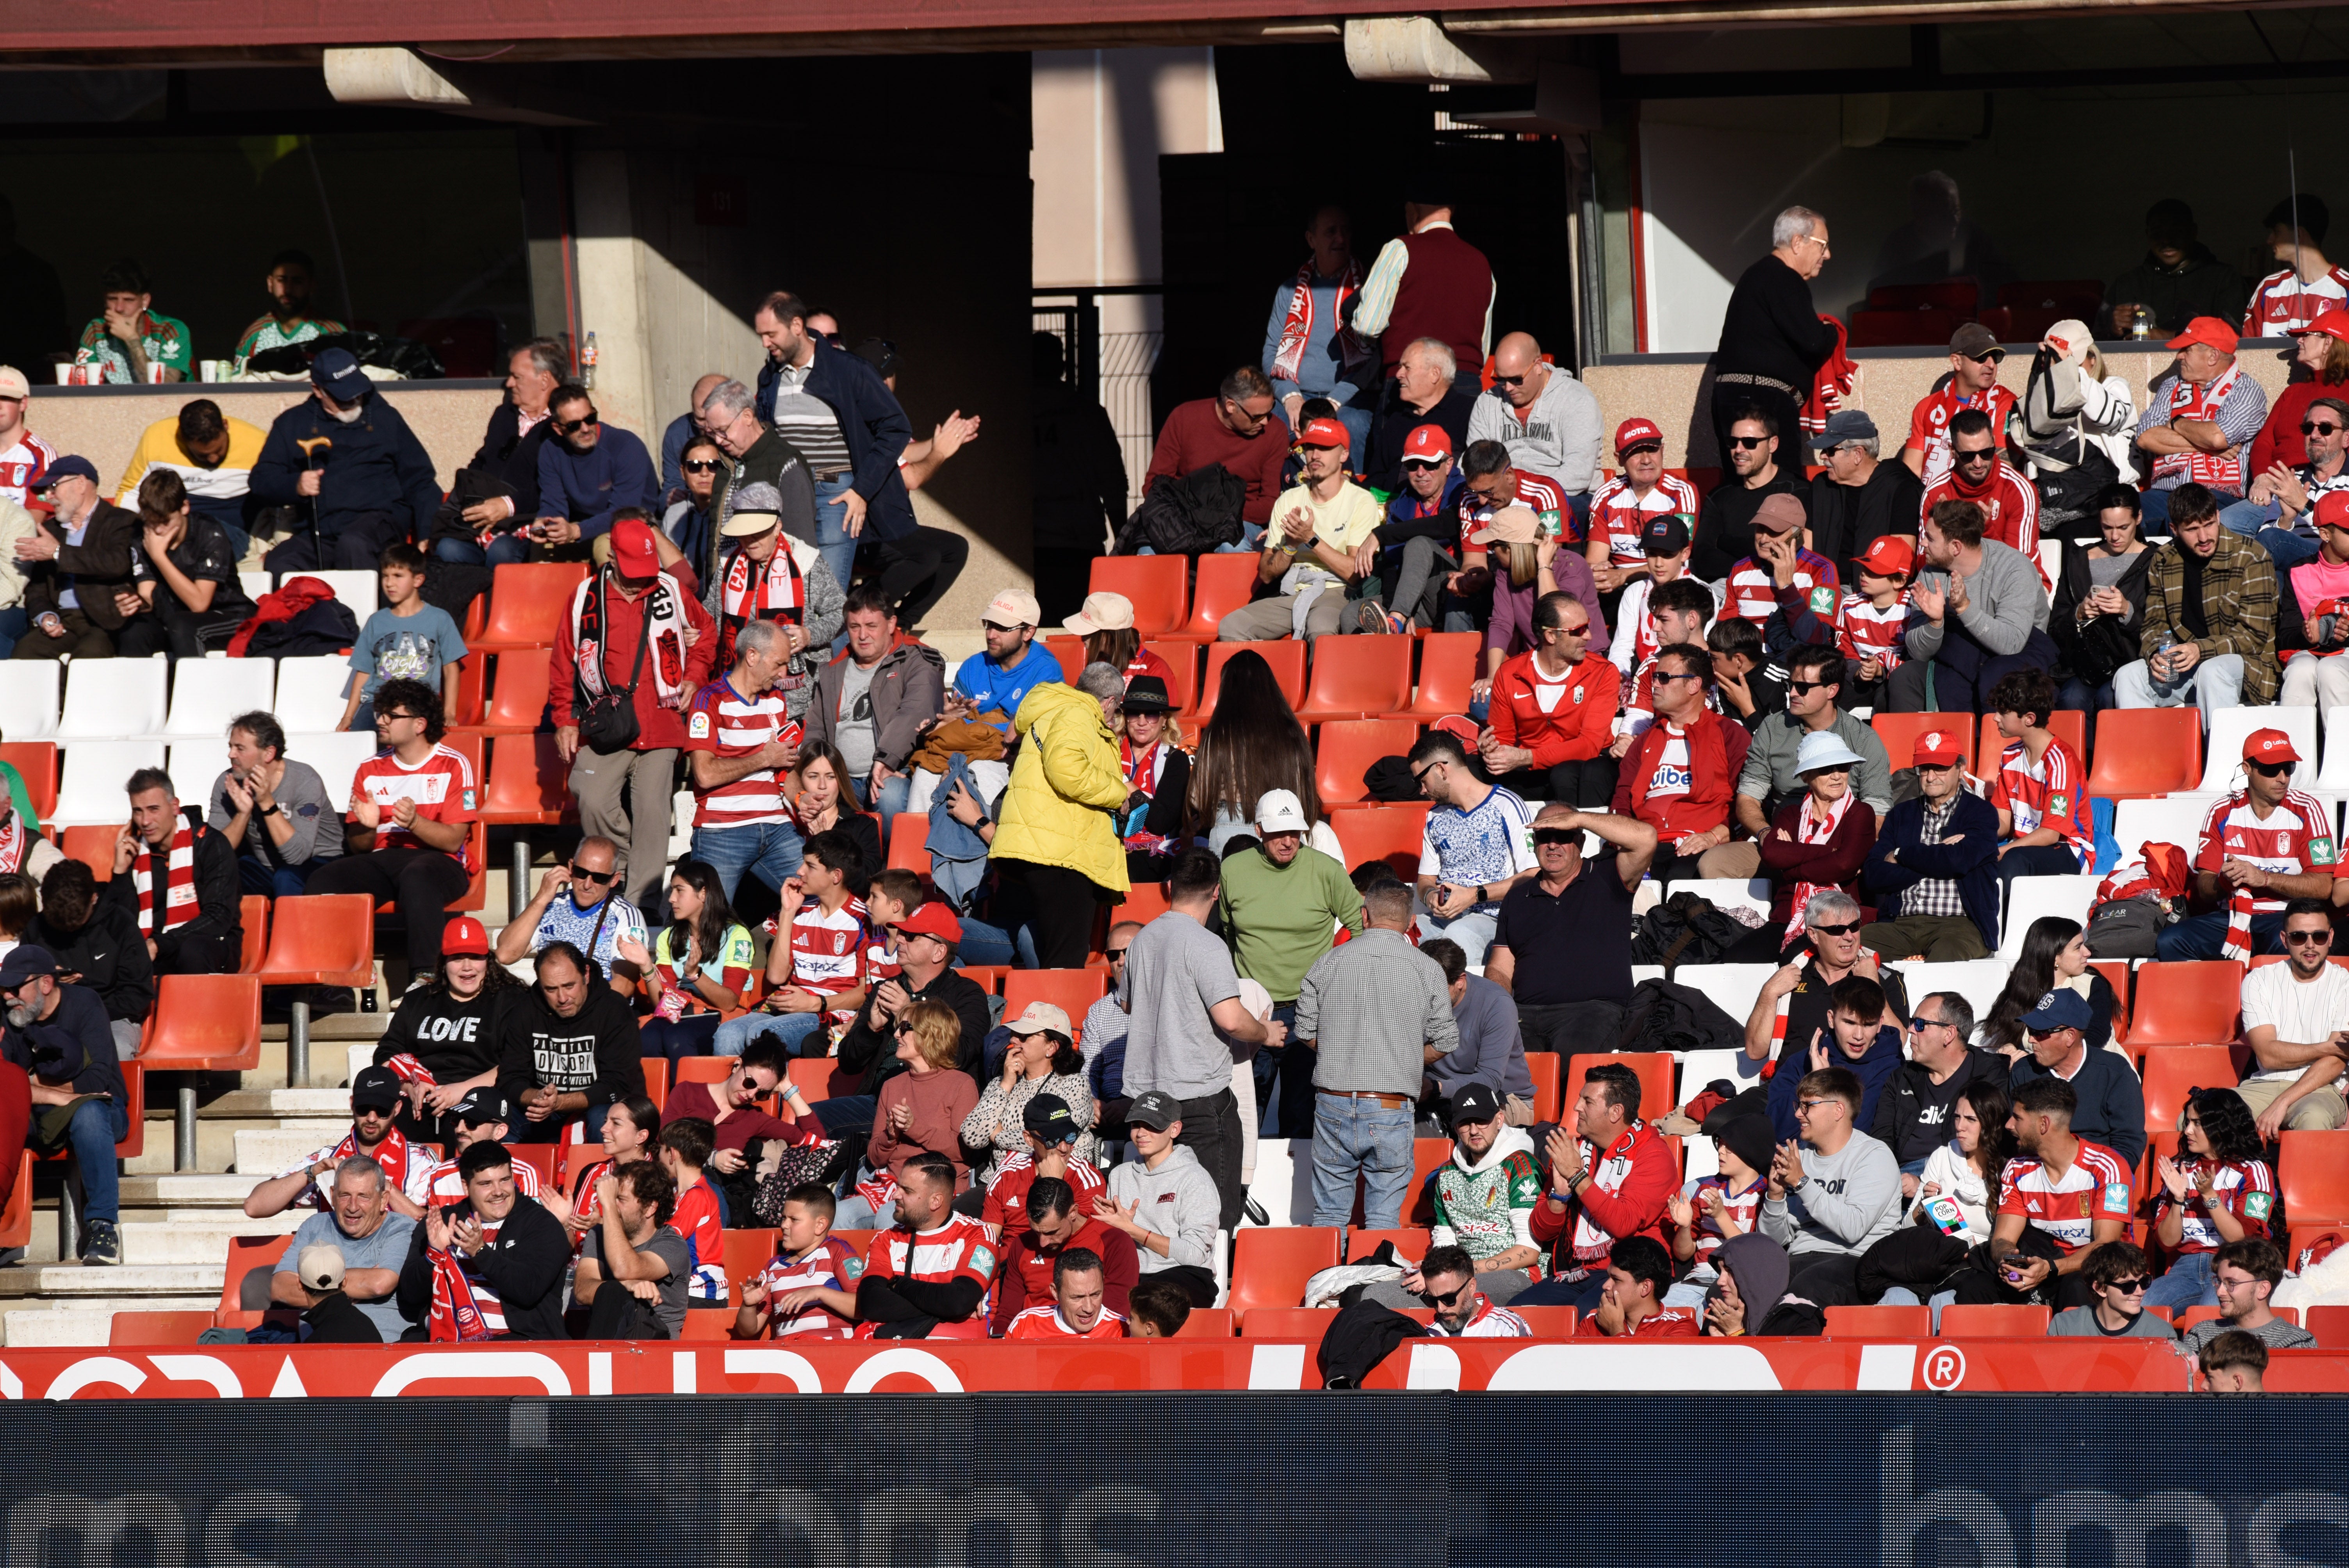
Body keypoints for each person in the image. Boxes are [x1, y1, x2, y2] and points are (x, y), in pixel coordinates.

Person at [551, 513, 718, 911]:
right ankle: (623, 864)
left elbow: (707, 633)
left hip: (662, 722)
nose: (641, 577)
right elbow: (563, 662)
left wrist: (693, 678)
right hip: (608, 724)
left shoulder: (672, 590)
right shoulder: (583, 598)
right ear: (611, 555)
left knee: (652, 813)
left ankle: (640, 904)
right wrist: (564, 719)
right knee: (589, 794)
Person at [1121, 848, 1285, 1229]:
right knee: (1213, 1217)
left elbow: (1128, 1004)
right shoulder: (1207, 944)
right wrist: (1266, 1032)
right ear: (1216, 893)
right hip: (1197, 1099)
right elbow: (1231, 1018)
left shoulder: (1142, 941)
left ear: (1169, 886)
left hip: (1147, 1098)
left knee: (1160, 1215)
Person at [1298, 881, 1456, 1228]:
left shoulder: (1327, 962)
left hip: (1333, 1102)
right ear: (1412, 921)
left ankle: (1327, 1283)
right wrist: (1406, 1060)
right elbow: (1446, 1040)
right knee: (1383, 1219)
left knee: (1329, 1216)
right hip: (1391, 1104)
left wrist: (1342, 1055)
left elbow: (1305, 1031)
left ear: (1364, 916)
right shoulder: (1428, 969)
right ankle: (1374, 1284)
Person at [750, 291, 922, 604]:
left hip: (837, 494)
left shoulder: (849, 370)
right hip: (790, 493)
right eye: (761, 335)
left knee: (826, 598)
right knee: (792, 594)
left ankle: (835, 655)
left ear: (797, 326)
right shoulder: (771, 377)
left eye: (771, 334)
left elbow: (896, 428)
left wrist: (861, 491)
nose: (765, 343)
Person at [301, 679, 476, 982]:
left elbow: (454, 841)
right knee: (324, 879)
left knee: (418, 874)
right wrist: (368, 828)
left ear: (420, 724)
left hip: (440, 863)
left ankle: (426, 979)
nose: (380, 720)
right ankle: (331, 978)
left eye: (391, 716)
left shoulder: (453, 764)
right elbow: (360, 848)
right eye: (381, 713)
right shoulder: (369, 769)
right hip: (385, 860)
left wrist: (415, 823)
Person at [1216, 789, 1363, 1136]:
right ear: (1259, 830)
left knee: (1303, 1116)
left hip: (1311, 1007)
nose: (1288, 841)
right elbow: (1227, 932)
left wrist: (1335, 984)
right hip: (1252, 1008)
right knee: (1244, 1114)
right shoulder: (1233, 869)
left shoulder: (1326, 870)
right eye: (1279, 833)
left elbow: (1362, 928)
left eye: (1294, 832)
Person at [248, 347, 442, 573]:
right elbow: (260, 480)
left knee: (354, 544)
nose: (352, 400)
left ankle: (360, 610)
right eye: (342, 396)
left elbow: (421, 480)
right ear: (318, 391)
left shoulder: (385, 418)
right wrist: (296, 485)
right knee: (282, 560)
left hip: (378, 525)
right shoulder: (293, 424)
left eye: (357, 391)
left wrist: (428, 532)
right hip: (321, 532)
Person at [1487, 802, 1656, 1057]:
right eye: (1545, 837)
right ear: (1535, 842)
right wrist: (1501, 1009)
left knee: (1570, 1060)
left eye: (1564, 835)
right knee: (1497, 1061)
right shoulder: (1517, 898)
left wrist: (1579, 818)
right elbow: (1500, 967)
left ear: (1581, 839)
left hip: (1592, 1012)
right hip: (1525, 1013)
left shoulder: (1609, 877)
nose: (1553, 845)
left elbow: (1646, 838)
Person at [987, 661, 1128, 968]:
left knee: (1059, 953)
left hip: (1055, 848)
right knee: (1066, 958)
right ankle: (1055, 1016)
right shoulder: (1078, 714)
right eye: (1117, 709)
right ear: (1109, 702)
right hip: (1062, 853)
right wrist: (1120, 793)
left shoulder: (1063, 709)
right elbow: (1066, 770)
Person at [2163, 730, 2344, 962]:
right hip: (2233, 915)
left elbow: (2323, 887)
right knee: (2171, 941)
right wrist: (2223, 881)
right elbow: (2205, 888)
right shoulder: (2221, 812)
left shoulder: (2308, 809)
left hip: (2290, 915)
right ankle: (2210, 997)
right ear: (2247, 769)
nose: (2283, 778)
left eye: (2288, 768)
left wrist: (2264, 879)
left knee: (2295, 949)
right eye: (2271, 769)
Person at [1713, 646, 1892, 878]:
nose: (1793, 693)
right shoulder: (1772, 728)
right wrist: (1765, 833)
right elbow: (1748, 797)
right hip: (1783, 841)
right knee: (1715, 863)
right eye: (1791, 685)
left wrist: (1851, 850)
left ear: (1832, 690)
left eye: (1804, 687)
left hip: (1840, 846)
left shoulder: (1863, 738)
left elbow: (1877, 810)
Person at [0, 945, 131, 1263]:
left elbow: (98, 1078)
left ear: (46, 983)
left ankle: (103, 1226)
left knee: (88, 1113)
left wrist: (33, 1084)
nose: (7, 996)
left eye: (15, 988)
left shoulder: (85, 1004)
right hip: (37, 1113)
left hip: (103, 1110)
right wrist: (55, 1095)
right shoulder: (9, 1015)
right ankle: (7, 1230)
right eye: (3, 988)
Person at [1363, 1084, 1538, 1313]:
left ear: (1499, 1120)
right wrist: (1435, 1269)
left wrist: (1454, 1274)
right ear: (1456, 1127)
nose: (1474, 1131)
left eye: (1482, 1121)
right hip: (1458, 1275)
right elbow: (1445, 1238)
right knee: (1369, 1295)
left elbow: (1528, 1251)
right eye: (1465, 1123)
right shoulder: (1446, 1173)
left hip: (1515, 1277)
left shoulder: (1521, 1165)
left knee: (1437, 1296)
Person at [1515, 1062, 1677, 1309]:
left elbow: (1623, 1222)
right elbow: (1541, 1232)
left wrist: (1576, 1176)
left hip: (1630, 1275)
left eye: (1587, 1101)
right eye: (1580, 1098)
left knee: (1587, 1321)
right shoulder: (1573, 1151)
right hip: (1575, 1273)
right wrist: (1558, 1197)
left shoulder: (1654, 1155)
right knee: (1519, 1315)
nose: (1576, 1107)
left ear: (1615, 1112)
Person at [2116, 482, 2277, 718]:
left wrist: (2200, 650)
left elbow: (2253, 639)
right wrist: (2156, 654)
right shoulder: (2164, 559)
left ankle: (2219, 754)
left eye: (2210, 524)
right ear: (2174, 529)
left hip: (2248, 666)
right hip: (2186, 665)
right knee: (2128, 676)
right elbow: (2155, 623)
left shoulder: (2251, 557)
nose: (2204, 537)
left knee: (2212, 671)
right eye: (2192, 529)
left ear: (2219, 516)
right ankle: (2144, 754)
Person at [1217, 419, 1381, 644]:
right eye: (1310, 448)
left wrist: (1311, 539)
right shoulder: (1289, 500)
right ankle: (1265, 680)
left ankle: (1319, 681)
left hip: (1339, 591)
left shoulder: (1361, 501)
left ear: (1344, 456)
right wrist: (1290, 545)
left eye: (1324, 448)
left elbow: (1354, 573)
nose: (1315, 455)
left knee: (1320, 628)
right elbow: (1266, 574)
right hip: (1294, 589)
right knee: (1231, 626)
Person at [679, 620, 806, 907]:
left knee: (817, 900)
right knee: (709, 921)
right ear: (752, 656)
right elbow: (705, 774)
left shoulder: (776, 700)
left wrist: (803, 798)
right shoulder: (708, 700)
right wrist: (764, 758)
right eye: (778, 663)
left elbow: (785, 770)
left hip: (777, 827)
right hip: (723, 831)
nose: (783, 672)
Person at [1758, 1066, 1904, 1310]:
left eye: (1808, 1106)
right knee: (1736, 1286)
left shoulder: (1874, 1156)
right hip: (1798, 1258)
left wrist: (1802, 1183)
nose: (1798, 1114)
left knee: (1803, 1292)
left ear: (1838, 1110)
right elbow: (1773, 1243)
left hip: (1854, 1262)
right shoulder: (1800, 1159)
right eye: (1799, 1105)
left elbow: (1852, 1228)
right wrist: (1775, 1195)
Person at [717, 829, 873, 1058]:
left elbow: (866, 993)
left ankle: (780, 1092)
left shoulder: (864, 920)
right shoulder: (799, 911)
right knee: (727, 1034)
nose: (800, 872)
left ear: (836, 876)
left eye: (810, 866)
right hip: (790, 1007)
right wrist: (789, 912)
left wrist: (815, 1003)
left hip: (833, 1012)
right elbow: (777, 977)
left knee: (762, 1034)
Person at [396, 1139, 571, 1341]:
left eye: (505, 1180)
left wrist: (480, 1252)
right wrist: (433, 1255)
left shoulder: (540, 1223)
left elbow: (528, 1289)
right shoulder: (440, 1222)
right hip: (441, 1338)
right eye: (486, 1184)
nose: (499, 1191)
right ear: (466, 1186)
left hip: (516, 1340)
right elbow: (410, 1296)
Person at [1893, 498, 2055, 715]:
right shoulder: (1931, 573)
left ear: (1956, 547)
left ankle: (1991, 745)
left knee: (1991, 673)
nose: (1922, 543)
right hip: (1960, 654)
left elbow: (2012, 644)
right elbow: (1918, 653)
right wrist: (1934, 623)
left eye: (1930, 538)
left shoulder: (2014, 568)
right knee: (1907, 676)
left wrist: (1964, 608)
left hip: (2021, 656)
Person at [1711, 207, 1839, 472]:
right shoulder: (1784, 277)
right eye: (1823, 245)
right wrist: (1832, 331)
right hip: (1764, 401)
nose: (1827, 255)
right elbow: (1814, 341)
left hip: (1732, 397)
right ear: (1797, 242)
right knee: (1783, 493)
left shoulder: (1757, 275)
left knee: (1742, 487)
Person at [371, 918, 520, 1144]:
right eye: (457, 958)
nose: (467, 967)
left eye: (476, 957)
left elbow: (517, 1062)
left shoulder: (509, 1000)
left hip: (481, 1098)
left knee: (467, 1125)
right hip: (420, 1097)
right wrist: (410, 1085)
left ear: (488, 960)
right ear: (444, 962)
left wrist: (460, 1091)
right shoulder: (418, 1000)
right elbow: (385, 1056)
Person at [1612, 642, 1752, 884]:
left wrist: (1715, 836)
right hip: (1646, 845)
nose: (1655, 683)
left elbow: (1750, 802)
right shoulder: (1643, 741)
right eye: (1656, 676)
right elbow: (1622, 800)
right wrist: (1624, 841)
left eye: (1664, 678)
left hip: (1702, 845)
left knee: (1679, 882)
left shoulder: (1730, 735)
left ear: (1694, 685)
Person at [803, 584, 947, 813]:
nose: (862, 635)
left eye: (871, 626)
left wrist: (886, 760)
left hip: (895, 770)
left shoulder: (917, 660)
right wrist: (814, 772)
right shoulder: (832, 671)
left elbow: (914, 711)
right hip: (840, 780)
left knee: (888, 796)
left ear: (891, 624)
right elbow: (815, 728)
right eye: (854, 627)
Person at [1474, 590, 1620, 810]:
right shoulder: (1510, 672)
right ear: (1551, 636)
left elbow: (1589, 745)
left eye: (1587, 626)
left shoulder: (1603, 672)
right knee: (1469, 768)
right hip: (1532, 768)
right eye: (1578, 631)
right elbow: (1502, 737)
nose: (1589, 636)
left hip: (1583, 767)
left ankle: (1574, 838)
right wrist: (1492, 751)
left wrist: (1527, 757)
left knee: (1565, 774)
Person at [494, 941, 645, 1144]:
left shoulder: (614, 1010)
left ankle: (600, 1175)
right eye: (551, 989)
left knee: (603, 1118)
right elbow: (509, 1079)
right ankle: (506, 1175)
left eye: (569, 986)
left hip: (604, 1105)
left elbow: (617, 1086)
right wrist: (539, 1098)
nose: (562, 998)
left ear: (586, 975)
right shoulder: (525, 1010)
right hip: (545, 1109)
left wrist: (560, 1103)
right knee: (495, 1116)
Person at [1351, 180, 1496, 386]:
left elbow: (1368, 326)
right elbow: (1483, 346)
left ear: (1412, 211)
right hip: (1465, 383)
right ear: (1452, 211)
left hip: (1410, 382)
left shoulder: (1400, 249)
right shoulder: (1482, 263)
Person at [1262, 204, 1376, 464]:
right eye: (1331, 232)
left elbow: (1374, 358)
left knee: (1354, 426)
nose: (1341, 238)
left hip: (1350, 399)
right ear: (1311, 240)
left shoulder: (1369, 288)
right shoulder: (1290, 290)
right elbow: (1271, 352)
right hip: (1298, 395)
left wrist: (1334, 402)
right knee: (1270, 427)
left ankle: (1353, 498)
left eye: (1346, 231)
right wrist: (1291, 397)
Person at [1406, 731, 1535, 962]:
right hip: (1441, 919)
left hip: (1494, 918)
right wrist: (1431, 897)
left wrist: (1475, 896)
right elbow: (1426, 879)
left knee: (1459, 934)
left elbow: (1535, 875)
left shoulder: (1508, 806)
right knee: (1395, 935)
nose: (1422, 790)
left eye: (1421, 780)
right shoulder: (1434, 817)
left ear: (1441, 770)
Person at [2146, 1087, 2277, 1312]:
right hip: (2186, 1268)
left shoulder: (2254, 1170)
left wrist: (2209, 1196)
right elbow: (2167, 1243)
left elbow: (2241, 1239)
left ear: (2221, 1126)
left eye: (2197, 1124)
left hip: (2236, 1266)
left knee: (2212, 1314)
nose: (2187, 1131)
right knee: (2147, 1307)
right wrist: (2178, 1199)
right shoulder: (2180, 1170)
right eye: (2188, 1122)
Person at [434, 338, 563, 566]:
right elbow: (482, 461)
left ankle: (502, 601)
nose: (509, 383)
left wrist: (508, 505)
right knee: (448, 548)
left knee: (502, 552)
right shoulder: (504, 415)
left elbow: (560, 487)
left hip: (529, 525)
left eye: (517, 377)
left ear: (544, 379)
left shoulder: (564, 424)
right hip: (485, 524)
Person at [1029, 335, 1129, 626]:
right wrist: (1122, 535)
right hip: (1078, 532)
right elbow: (1112, 479)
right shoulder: (1087, 412)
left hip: (1030, 537)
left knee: (1037, 623)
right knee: (1080, 622)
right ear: (1061, 365)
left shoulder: (1009, 412)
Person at [2133, 317, 2267, 532]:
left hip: (2216, 496)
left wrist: (2176, 422)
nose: (2179, 356)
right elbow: (2146, 437)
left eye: (2187, 350)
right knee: (2130, 513)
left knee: (2184, 515)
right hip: (2164, 492)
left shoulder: (2246, 389)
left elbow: (2218, 437)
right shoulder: (2172, 386)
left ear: (2213, 356)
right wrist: (2209, 447)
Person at [104, 766, 239, 976]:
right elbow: (122, 923)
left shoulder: (212, 845)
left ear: (175, 807)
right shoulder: (135, 852)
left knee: (192, 952)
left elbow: (219, 916)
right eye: (138, 811)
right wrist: (120, 873)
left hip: (210, 944)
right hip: (155, 946)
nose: (145, 821)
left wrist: (161, 943)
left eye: (153, 809)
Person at [1091, 1090, 1221, 1308]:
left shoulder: (1194, 1177)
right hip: (1133, 1274)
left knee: (1149, 1298)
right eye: (1136, 1125)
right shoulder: (1120, 1175)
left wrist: (1133, 1231)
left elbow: (1195, 1255)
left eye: (1153, 1126)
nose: (1142, 1133)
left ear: (1175, 1129)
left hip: (1183, 1276)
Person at [2012, 320, 2141, 539]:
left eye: (2077, 364)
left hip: (2112, 502)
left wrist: (2070, 373)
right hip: (2063, 501)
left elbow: (2110, 418)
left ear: (2093, 359)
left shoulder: (2115, 386)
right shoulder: (2046, 400)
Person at [848, 1151, 995, 1340]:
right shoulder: (886, 1239)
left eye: (907, 1191)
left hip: (959, 1351)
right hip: (894, 1347)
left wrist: (896, 1284)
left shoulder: (977, 1234)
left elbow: (959, 1301)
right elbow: (871, 1304)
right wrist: (946, 1305)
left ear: (936, 1201)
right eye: (898, 1186)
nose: (895, 1195)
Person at [268, 1157, 417, 1342]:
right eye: (345, 1195)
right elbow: (280, 1289)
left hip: (382, 1354)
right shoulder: (316, 1226)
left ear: (383, 1200)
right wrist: (351, 1291)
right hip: (316, 1351)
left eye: (364, 1197)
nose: (353, 1207)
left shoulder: (401, 1227)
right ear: (333, 1195)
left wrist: (316, 1286)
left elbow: (380, 1284)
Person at [2236, 898, 2349, 1135]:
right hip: (2262, 1085)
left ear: (2330, 938)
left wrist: (2283, 1101)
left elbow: (2336, 1060)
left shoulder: (2345, 983)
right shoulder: (2259, 980)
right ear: (2284, 940)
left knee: (2314, 1117)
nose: (2310, 945)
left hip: (2321, 1087)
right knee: (2199, 1116)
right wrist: (2329, 1046)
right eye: (2299, 937)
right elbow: (2268, 1056)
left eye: (2318, 936)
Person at [12, 454, 140, 661]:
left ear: (81, 484)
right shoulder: (50, 530)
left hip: (103, 620)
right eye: (46, 491)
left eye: (54, 486)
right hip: (62, 621)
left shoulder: (120, 520)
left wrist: (58, 553)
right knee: (25, 654)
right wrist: (45, 615)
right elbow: (37, 589)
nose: (48, 495)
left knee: (87, 661)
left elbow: (117, 563)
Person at [1141, 365, 1291, 538]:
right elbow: (1154, 486)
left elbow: (1270, 504)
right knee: (1148, 552)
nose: (1265, 422)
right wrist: (1193, 513)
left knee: (1231, 546)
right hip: (1181, 519)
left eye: (1270, 412)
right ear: (1231, 406)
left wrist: (1214, 513)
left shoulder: (1276, 431)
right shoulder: (1184, 418)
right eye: (1257, 417)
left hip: (1240, 521)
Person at [117, 470, 253, 660]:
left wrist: (159, 557)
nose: (158, 530)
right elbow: (148, 594)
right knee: (134, 630)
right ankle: (139, 689)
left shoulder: (210, 533)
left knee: (183, 626)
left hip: (228, 615)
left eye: (165, 522)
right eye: (151, 522)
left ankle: (193, 688)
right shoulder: (142, 536)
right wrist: (133, 605)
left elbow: (199, 604)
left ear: (185, 508)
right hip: (173, 617)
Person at [2049, 485, 2153, 732]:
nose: (2115, 536)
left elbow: (2163, 627)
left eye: (2123, 527)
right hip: (2085, 662)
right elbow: (2055, 627)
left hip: (2130, 660)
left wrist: (2127, 611)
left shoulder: (2155, 560)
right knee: (2070, 700)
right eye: (2108, 527)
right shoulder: (2078, 560)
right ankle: (2075, 767)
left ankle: (2108, 766)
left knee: (2110, 698)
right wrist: (2079, 613)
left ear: (2138, 518)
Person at [2007, 987, 2147, 1168]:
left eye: (2039, 1032)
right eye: (2030, 1030)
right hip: (2039, 1176)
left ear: (2070, 1036)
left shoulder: (2115, 1072)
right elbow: (2017, 1137)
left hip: (2098, 1178)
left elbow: (2128, 1143)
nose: (2031, 1039)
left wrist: (2089, 1178)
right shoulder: (2024, 1072)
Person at [27, 860, 153, 1061]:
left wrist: (83, 1005)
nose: (69, 930)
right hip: (48, 1019)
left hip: (112, 1018)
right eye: (58, 925)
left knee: (116, 1048)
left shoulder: (120, 924)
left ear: (94, 899)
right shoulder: (36, 928)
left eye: (78, 923)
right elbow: (21, 991)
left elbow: (137, 994)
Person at [113, 399, 267, 564]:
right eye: (202, 455)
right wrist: (119, 537)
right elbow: (132, 492)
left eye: (219, 450)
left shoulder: (257, 442)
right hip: (175, 529)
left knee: (208, 537)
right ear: (183, 439)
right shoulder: (157, 437)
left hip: (234, 535)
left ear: (226, 426)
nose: (213, 459)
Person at [634, 860, 757, 1064]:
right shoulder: (669, 936)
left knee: (679, 1037)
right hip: (683, 1013)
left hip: (722, 1016)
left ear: (703, 894)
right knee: (648, 1036)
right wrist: (647, 967)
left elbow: (730, 1003)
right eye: (672, 890)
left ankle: (687, 1095)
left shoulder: (737, 935)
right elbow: (664, 1007)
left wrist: (695, 975)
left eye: (679, 890)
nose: (672, 899)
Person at [207, 713, 340, 897]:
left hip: (319, 862)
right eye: (231, 747)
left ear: (269, 753)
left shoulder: (304, 780)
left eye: (240, 748)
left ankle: (291, 927)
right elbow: (215, 853)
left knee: (287, 877)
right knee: (220, 875)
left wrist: (266, 802)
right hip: (265, 866)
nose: (231, 755)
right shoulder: (228, 782)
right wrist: (243, 814)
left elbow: (298, 856)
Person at [1464, 331, 1601, 511]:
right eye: (1501, 380)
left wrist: (1526, 500)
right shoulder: (1487, 402)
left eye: (1516, 379)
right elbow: (1474, 463)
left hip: (1565, 496)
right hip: (1499, 497)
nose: (1509, 388)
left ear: (1537, 366)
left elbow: (1578, 473)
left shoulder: (1576, 399)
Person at [335, 544, 465, 731]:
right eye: (386, 576)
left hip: (419, 704)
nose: (389, 583)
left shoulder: (440, 619)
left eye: (398, 576)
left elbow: (451, 669)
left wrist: (450, 712)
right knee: (361, 743)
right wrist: (348, 716)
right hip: (377, 703)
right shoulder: (376, 621)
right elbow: (363, 672)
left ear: (418, 580)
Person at [1871, 992, 2002, 1177]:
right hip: (1900, 1177)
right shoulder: (1902, 1078)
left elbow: (1991, 1144)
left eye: (1920, 1024)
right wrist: (1891, 1180)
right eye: (1912, 1022)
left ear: (1949, 1034)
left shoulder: (1989, 1076)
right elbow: (1881, 1141)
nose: (1910, 1030)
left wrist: (1926, 1181)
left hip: (1959, 1177)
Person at [495, 836, 646, 996]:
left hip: (599, 1011)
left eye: (599, 878)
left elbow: (624, 985)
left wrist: (584, 1011)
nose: (587, 885)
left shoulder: (625, 915)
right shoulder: (550, 905)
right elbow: (505, 954)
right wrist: (541, 898)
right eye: (581, 873)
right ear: (571, 868)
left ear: (614, 880)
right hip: (550, 1008)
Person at [963, 1005, 1096, 1187]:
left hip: (1051, 1185)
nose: (1013, 1040)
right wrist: (1006, 1085)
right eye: (1014, 1033)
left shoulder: (1074, 1084)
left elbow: (1054, 1141)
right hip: (999, 1184)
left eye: (1024, 1037)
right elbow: (972, 1137)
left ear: (1052, 1047)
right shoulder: (1001, 1083)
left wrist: (998, 1137)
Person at [1986, 670, 2094, 884]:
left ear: (2029, 719)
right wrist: (1973, 833)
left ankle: (2008, 918)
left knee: (2013, 860)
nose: (1995, 718)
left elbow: (2052, 833)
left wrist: (2004, 850)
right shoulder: (2009, 756)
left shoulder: (2060, 760)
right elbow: (2003, 822)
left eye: (2003, 712)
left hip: (2068, 850)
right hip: (2024, 846)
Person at [994, 1176, 1138, 1335]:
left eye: (1052, 1232)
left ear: (1073, 1213)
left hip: (1092, 1345)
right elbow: (1007, 1314)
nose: (1042, 1243)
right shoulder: (1022, 1245)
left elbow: (1113, 1318)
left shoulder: (1114, 1243)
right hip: (1030, 1342)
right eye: (1036, 1232)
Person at [1660, 1114, 1775, 1309]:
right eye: (1720, 1144)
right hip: (1697, 1280)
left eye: (1728, 1147)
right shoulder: (1707, 1188)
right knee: (1662, 1315)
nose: (1720, 1151)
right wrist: (1685, 1227)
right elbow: (1683, 1255)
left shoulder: (1764, 1193)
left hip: (1736, 1284)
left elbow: (1752, 1256)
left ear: (1750, 1151)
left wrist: (1721, 1216)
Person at [1686, 404, 1808, 585]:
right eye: (1733, 442)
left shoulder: (1796, 491)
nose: (1739, 450)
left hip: (1781, 586)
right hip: (1727, 587)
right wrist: (1754, 558)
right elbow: (1704, 561)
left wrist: (1726, 542)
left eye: (1750, 442)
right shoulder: (1719, 496)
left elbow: (1799, 553)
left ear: (1773, 444)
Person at [573, 1160, 689, 1340]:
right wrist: (624, 1286)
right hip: (611, 1339)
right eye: (613, 1198)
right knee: (614, 1292)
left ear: (650, 1207)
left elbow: (624, 1269)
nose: (611, 1205)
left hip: (656, 1345)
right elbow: (581, 1291)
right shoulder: (598, 1234)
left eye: (621, 1199)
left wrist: (610, 1205)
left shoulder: (672, 1244)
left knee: (613, 1293)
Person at [735, 1182, 865, 1340]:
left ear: (820, 1225)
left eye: (794, 1220)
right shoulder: (773, 1267)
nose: (784, 1225)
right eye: (784, 1218)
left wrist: (819, 1292)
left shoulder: (838, 1252)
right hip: (788, 1358)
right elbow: (748, 1331)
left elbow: (865, 1308)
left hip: (833, 1356)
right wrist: (749, 1306)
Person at [1421, 940, 1534, 1122]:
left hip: (1506, 1099)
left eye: (1436, 990)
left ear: (1460, 981)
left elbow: (1490, 1079)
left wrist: (1437, 1088)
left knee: (1468, 1117)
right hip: (1437, 1096)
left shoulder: (1497, 1003)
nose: (1427, 995)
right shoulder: (1414, 996)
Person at [1582, 417, 1697, 595]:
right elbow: (1595, 562)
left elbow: (1677, 560)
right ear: (1619, 459)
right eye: (1636, 453)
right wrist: (1601, 574)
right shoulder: (1606, 495)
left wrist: (1624, 575)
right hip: (1616, 587)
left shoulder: (1681, 492)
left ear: (1663, 450)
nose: (1646, 460)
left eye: (1652, 450)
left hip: (1666, 584)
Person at [2103, 200, 2246, 340]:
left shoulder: (2225, 279)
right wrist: (2113, 329)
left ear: (2193, 232)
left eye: (2176, 231)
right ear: (2148, 235)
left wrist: (2169, 338)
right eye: (2157, 233)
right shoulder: (2127, 284)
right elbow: (2094, 350)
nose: (2166, 240)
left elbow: (2237, 338)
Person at [1902, 324, 2018, 491]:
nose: (1991, 364)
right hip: (1931, 505)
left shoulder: (2007, 403)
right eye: (1981, 357)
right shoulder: (1926, 407)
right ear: (1957, 361)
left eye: (1996, 356)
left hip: (1979, 507)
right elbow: (1912, 471)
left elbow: (2004, 470)